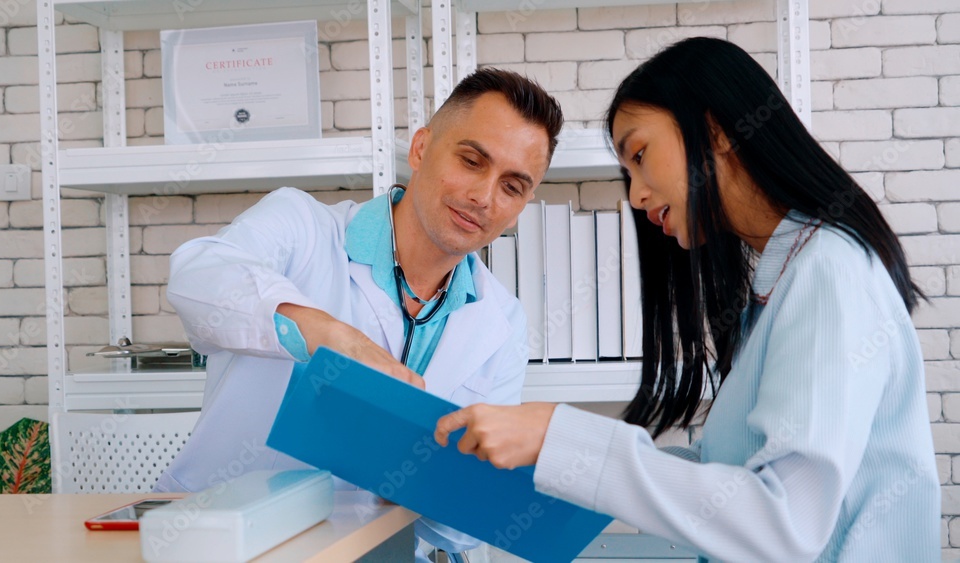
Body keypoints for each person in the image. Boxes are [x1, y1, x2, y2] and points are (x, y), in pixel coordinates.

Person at [435, 37, 940, 562]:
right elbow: (732, 487)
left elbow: (784, 524)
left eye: (640, 154)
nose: (635, 196)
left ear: (717, 131)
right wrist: (560, 458)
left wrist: (560, 436)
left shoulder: (829, 270)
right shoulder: (780, 287)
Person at [154, 67, 563, 559]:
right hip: (225, 546)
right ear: (420, 149)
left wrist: (415, 478)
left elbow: (461, 532)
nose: (484, 198)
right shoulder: (301, 227)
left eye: (512, 187)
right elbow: (198, 275)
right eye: (472, 160)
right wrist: (326, 334)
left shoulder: (502, 321)